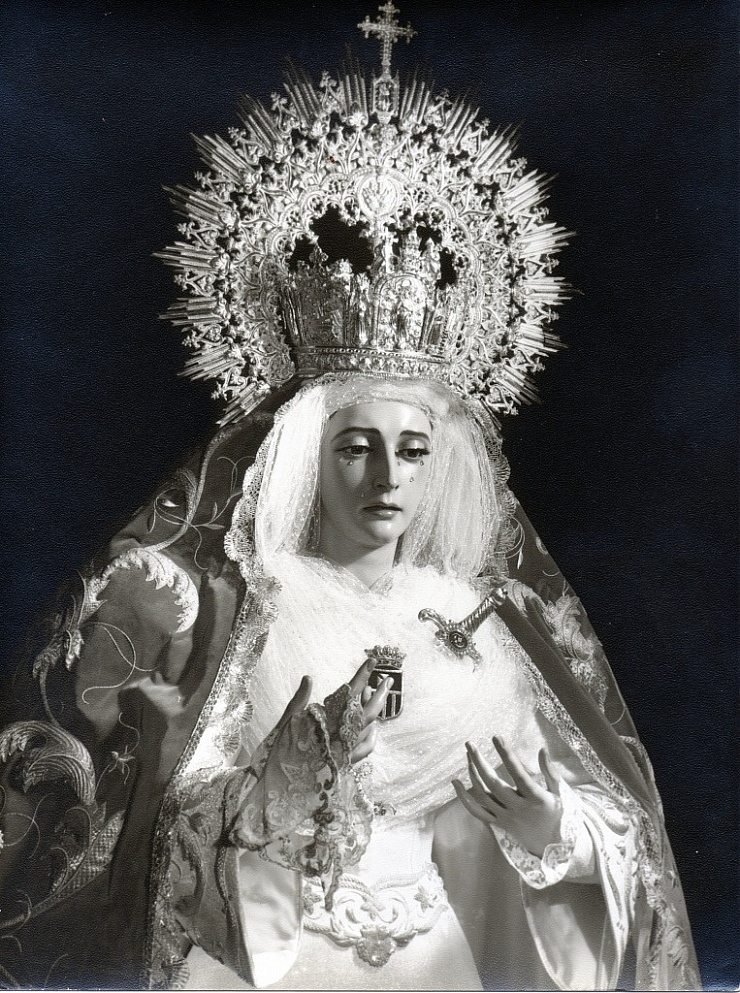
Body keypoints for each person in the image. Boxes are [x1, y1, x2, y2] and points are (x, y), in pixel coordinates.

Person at [0, 6, 699, 990]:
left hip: (451, 955)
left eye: (411, 451)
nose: (386, 478)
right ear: (306, 459)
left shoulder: (482, 619)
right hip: (279, 956)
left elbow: (606, 824)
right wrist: (276, 773)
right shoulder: (246, 610)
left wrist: (553, 833)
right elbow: (173, 841)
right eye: (356, 449)